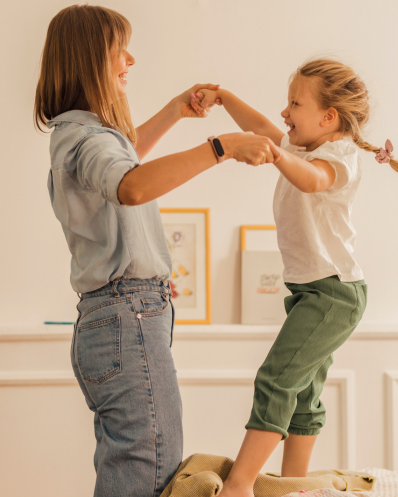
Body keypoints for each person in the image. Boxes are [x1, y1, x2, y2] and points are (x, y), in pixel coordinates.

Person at [33, 5, 275, 497]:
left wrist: (174, 111)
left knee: (133, 468)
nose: (131, 59)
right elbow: (131, 185)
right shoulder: (87, 141)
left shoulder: (78, 138)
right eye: (119, 50)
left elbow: (123, 160)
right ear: (90, 61)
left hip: (113, 320)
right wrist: (220, 146)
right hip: (130, 316)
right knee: (147, 474)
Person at [191, 58, 398, 497]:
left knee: (277, 379)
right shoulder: (305, 145)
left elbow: (311, 180)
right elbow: (263, 127)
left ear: (328, 117)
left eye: (294, 103)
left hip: (334, 293)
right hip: (314, 290)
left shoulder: (336, 158)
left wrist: (277, 152)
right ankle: (292, 485)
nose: (285, 113)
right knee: (301, 391)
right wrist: (225, 97)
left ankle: (241, 484)